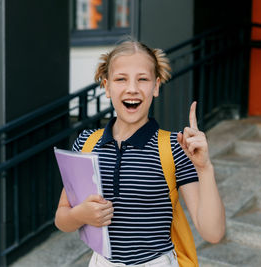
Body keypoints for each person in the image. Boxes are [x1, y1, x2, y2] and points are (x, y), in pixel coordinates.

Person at [55, 40, 225, 267]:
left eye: (142, 79)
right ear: (107, 86)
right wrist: (80, 216)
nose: (132, 88)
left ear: (155, 87)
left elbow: (213, 233)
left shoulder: (174, 148)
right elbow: (61, 218)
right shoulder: (86, 143)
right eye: (121, 79)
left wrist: (204, 168)